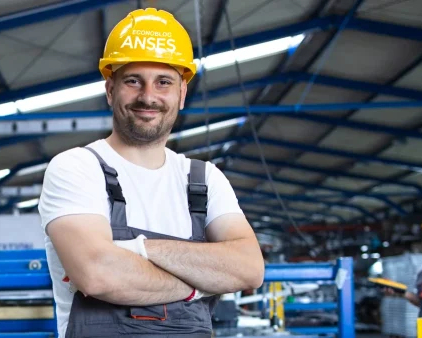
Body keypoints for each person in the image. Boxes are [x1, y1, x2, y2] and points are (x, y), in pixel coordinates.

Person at [37, 8, 265, 338]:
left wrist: (139, 251)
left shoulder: (204, 179)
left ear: (182, 94)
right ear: (110, 89)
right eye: (133, 81)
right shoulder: (76, 168)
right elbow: (97, 274)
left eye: (163, 82)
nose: (148, 96)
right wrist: (197, 284)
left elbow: (249, 269)